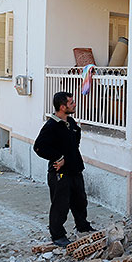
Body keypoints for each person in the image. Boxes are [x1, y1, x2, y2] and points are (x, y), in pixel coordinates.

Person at [34, 91, 94, 247]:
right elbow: (39, 147)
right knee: (60, 204)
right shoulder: (51, 126)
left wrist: (69, 157)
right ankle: (58, 235)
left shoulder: (71, 122)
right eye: (71, 102)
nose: (74, 104)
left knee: (80, 200)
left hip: (75, 170)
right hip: (59, 173)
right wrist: (58, 158)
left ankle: (82, 226)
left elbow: (75, 141)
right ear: (62, 107)